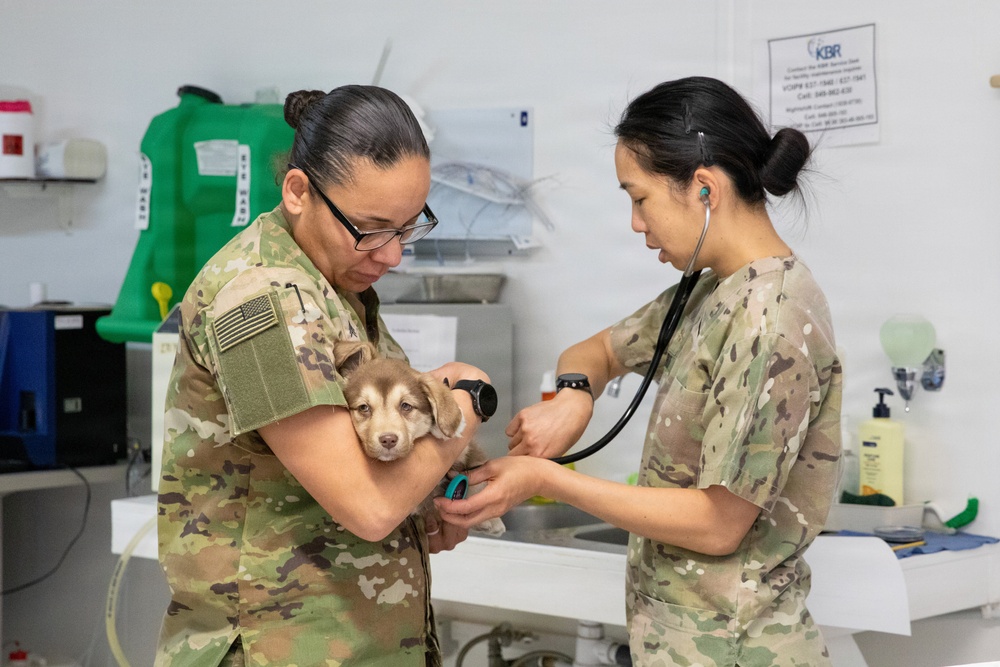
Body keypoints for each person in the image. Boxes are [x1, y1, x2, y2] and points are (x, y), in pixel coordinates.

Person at [437, 76, 843, 667]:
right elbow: (597, 351)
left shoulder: (769, 318)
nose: (635, 223)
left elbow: (719, 523)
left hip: (737, 648)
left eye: (639, 198)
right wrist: (574, 399)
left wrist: (543, 478)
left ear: (703, 189)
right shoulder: (713, 292)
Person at [156, 85, 490, 667]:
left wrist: (434, 497)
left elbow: (369, 453)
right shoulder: (256, 302)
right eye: (371, 228)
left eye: (410, 227)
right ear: (298, 192)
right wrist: (465, 404)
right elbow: (366, 505)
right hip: (277, 647)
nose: (392, 256)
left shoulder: (335, 285)